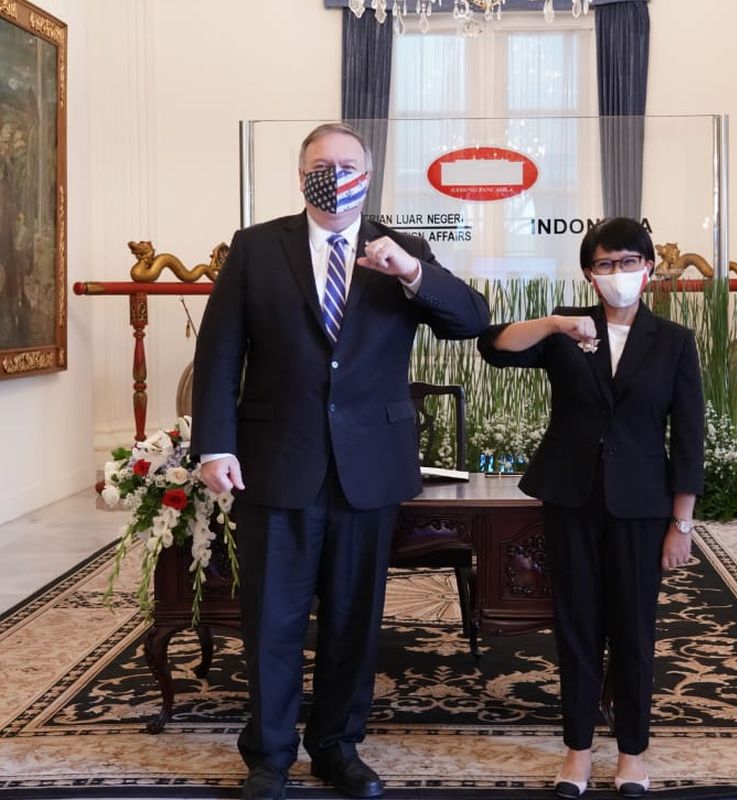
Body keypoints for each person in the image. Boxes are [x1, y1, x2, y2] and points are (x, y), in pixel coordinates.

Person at [191, 122, 489, 800]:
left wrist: (412, 273)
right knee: (273, 617)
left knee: (356, 618)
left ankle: (336, 748)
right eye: (321, 164)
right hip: (275, 460)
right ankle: (268, 756)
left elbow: (471, 318)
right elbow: (219, 354)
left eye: (347, 163)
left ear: (369, 171)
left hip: (368, 467)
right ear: (301, 176)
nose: (334, 172)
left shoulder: (403, 248)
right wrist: (215, 444)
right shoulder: (256, 247)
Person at [477, 217, 704, 798]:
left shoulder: (674, 342)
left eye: (629, 262)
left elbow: (690, 439)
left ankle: (632, 754)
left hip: (640, 506)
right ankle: (577, 752)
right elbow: (493, 346)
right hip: (571, 497)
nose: (617, 274)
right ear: (588, 272)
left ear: (649, 270)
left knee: (633, 629)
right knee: (576, 628)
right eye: (604, 264)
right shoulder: (566, 332)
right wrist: (555, 323)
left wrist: (682, 523)